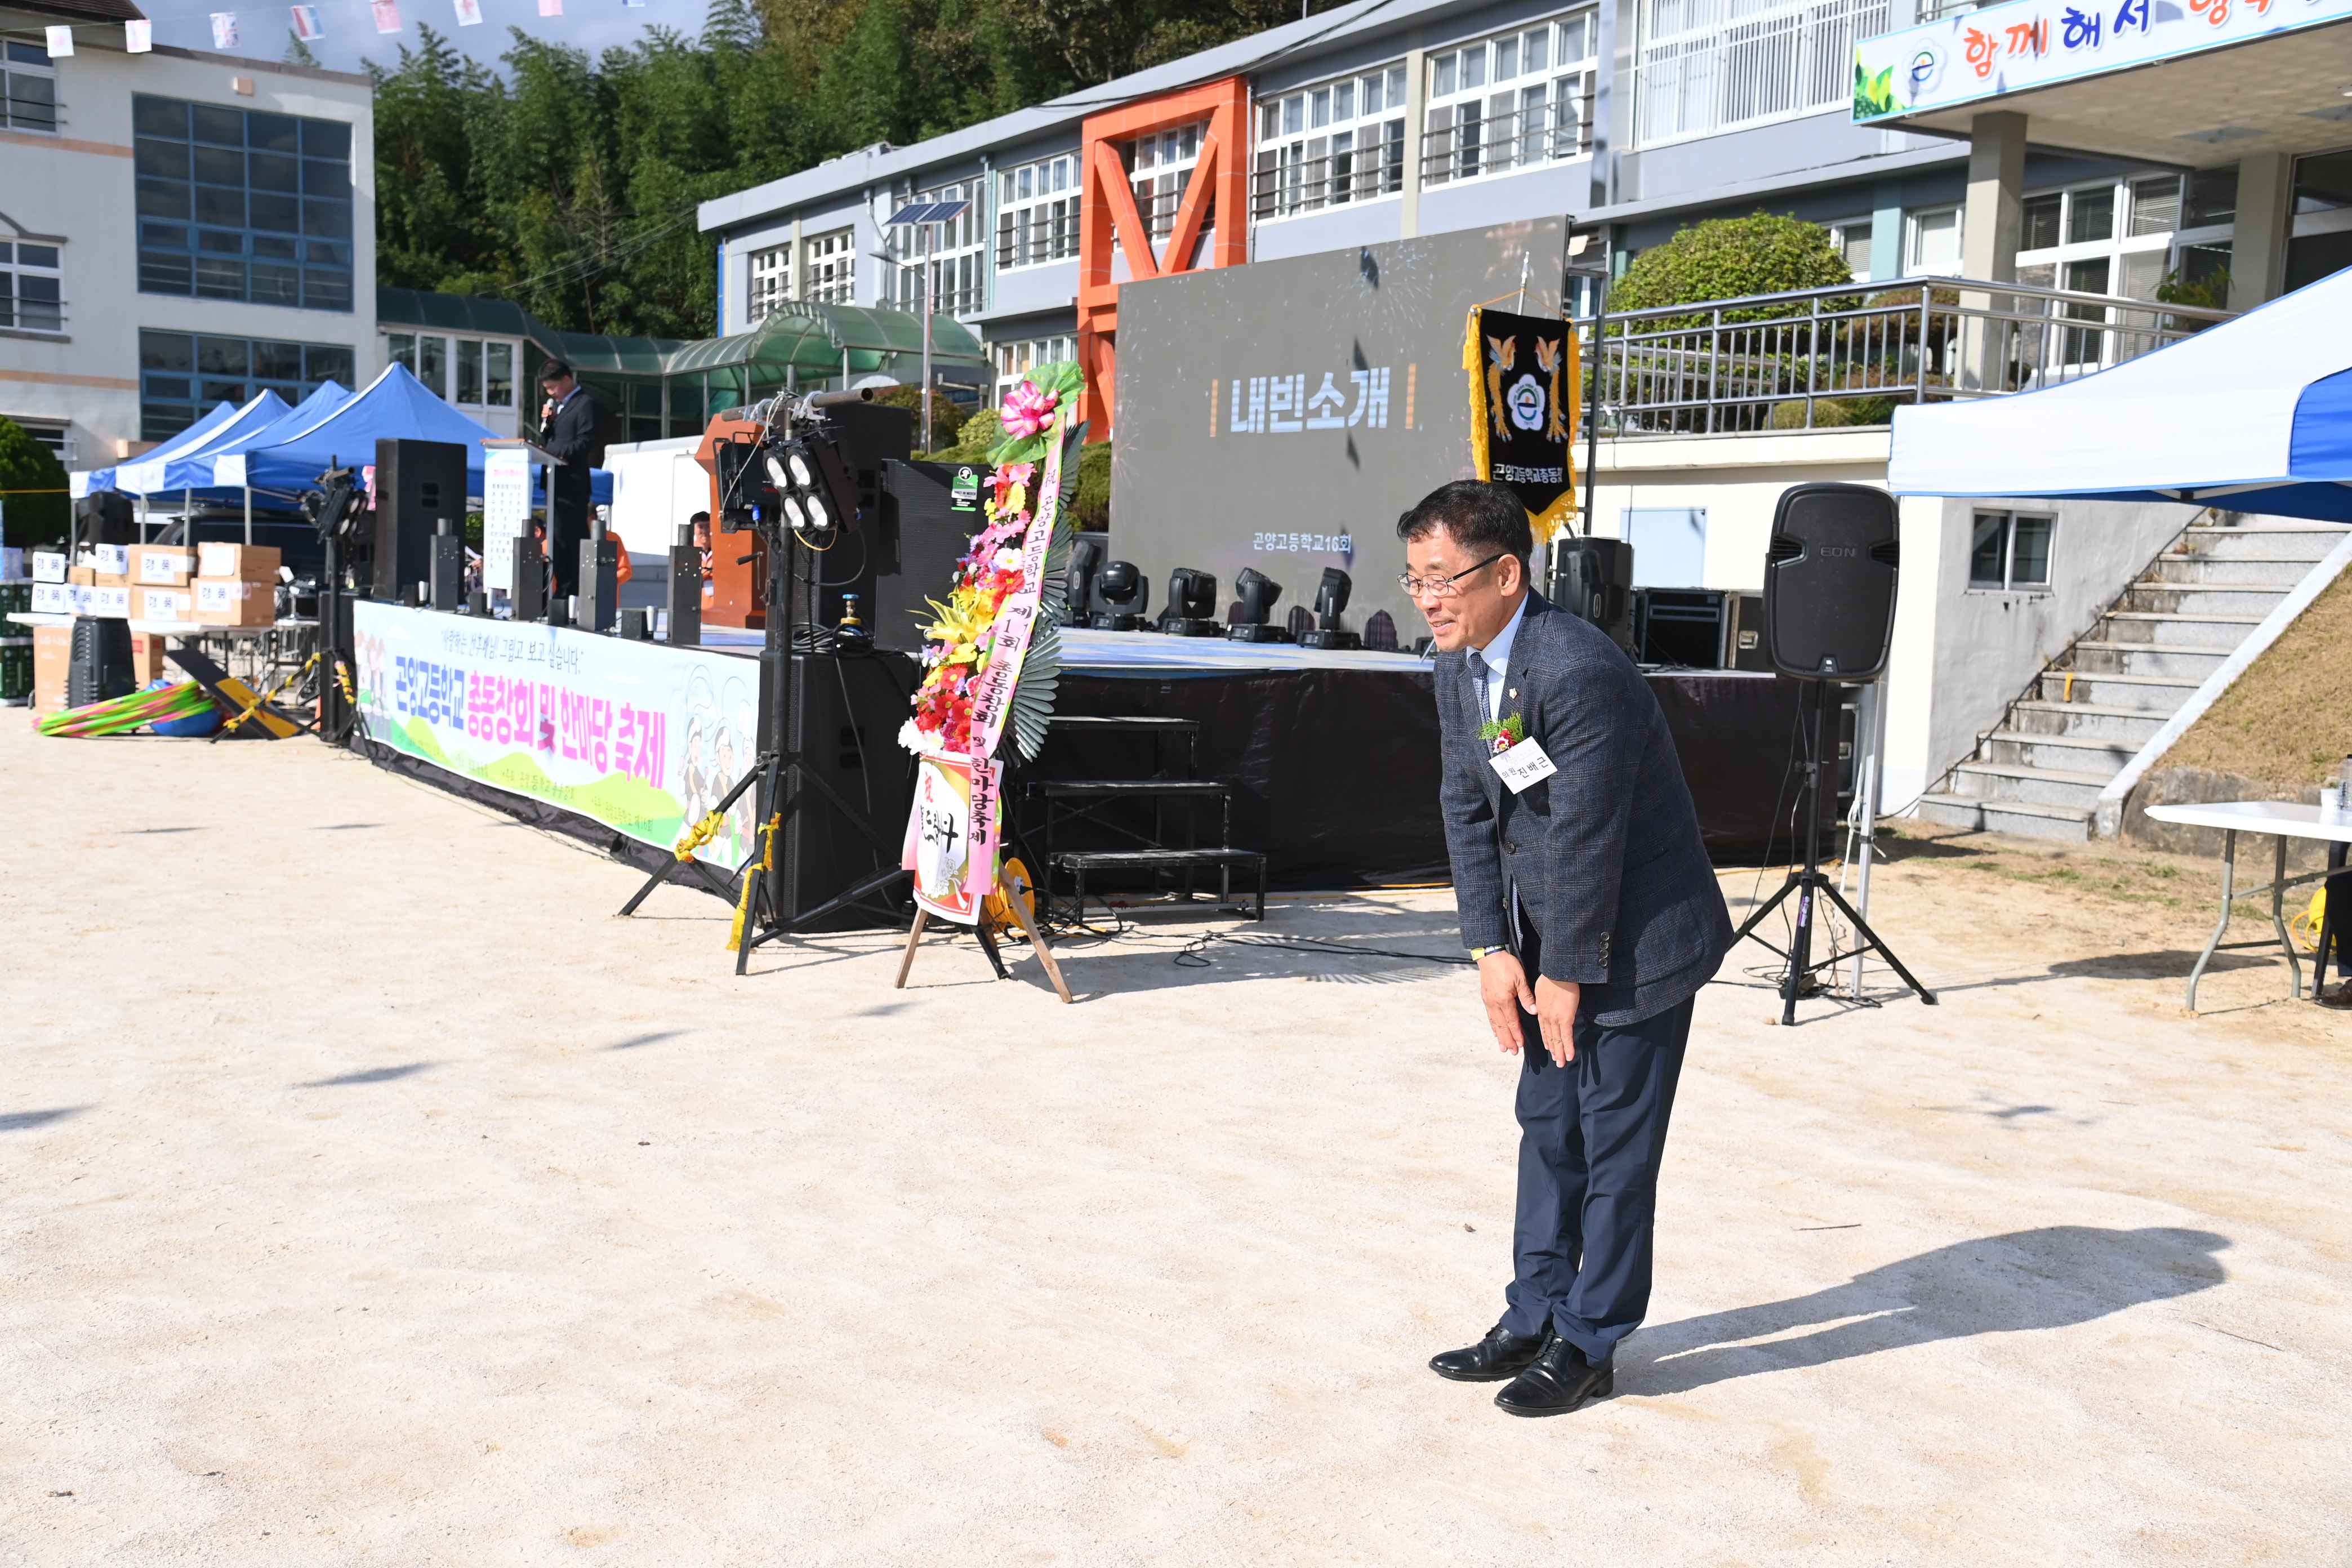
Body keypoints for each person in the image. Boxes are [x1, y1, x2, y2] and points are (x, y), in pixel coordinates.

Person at [1405, 480, 1732, 1418]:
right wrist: (1489, 947)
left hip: (1640, 942)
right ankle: (1536, 1309)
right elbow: (1468, 808)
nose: (1426, 597)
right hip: (1555, 934)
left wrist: (1563, 972)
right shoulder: (1458, 664)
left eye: (1442, 577)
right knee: (1550, 1131)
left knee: (1616, 1150)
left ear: (1506, 573)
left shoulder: (1577, 668)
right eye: (1415, 577)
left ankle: (1591, 1339)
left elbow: (1588, 832)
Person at [537, 360, 604, 600]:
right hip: (555, 479)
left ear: (566, 380)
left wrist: (558, 453)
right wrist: (549, 422)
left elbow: (586, 441)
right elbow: (549, 438)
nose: (551, 393)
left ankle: (577, 593)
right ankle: (563, 589)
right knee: (556, 538)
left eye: (553, 388)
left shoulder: (585, 404)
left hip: (572, 481)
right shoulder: (558, 407)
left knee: (572, 536)